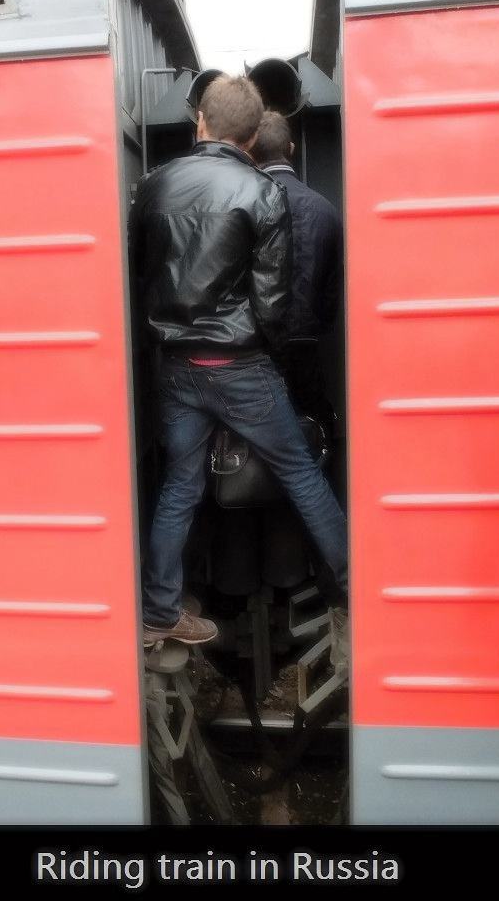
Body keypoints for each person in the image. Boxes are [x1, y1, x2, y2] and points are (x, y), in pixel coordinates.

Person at [130, 76, 349, 659]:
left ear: (199, 122)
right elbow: (272, 302)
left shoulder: (153, 186)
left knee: (180, 486)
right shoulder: (262, 193)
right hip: (240, 364)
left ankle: (158, 613)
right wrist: (269, 359)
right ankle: (356, 591)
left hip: (176, 365)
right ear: (252, 137)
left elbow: (138, 273)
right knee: (302, 475)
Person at [252, 110, 343, 420]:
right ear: (290, 149)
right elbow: (332, 289)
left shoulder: (245, 204)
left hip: (255, 346)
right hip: (308, 341)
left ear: (250, 151)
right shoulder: (325, 208)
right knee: (312, 417)